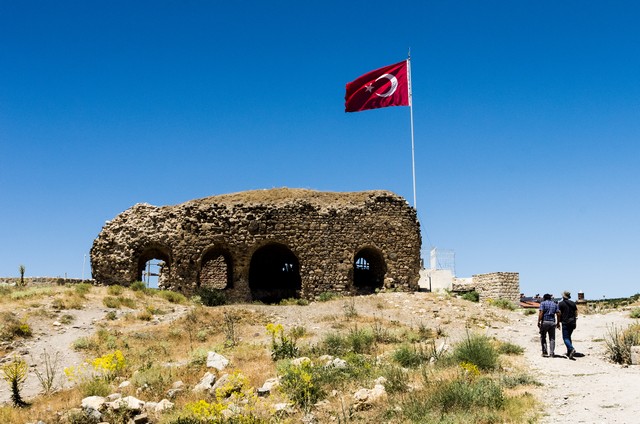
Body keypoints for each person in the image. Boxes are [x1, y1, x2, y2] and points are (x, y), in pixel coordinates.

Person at [558, 290, 578, 359]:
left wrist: (558, 322)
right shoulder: (573, 303)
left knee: (565, 338)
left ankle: (571, 348)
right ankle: (569, 352)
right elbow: (576, 313)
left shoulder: (560, 304)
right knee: (569, 337)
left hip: (565, 322)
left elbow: (559, 313)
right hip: (572, 322)